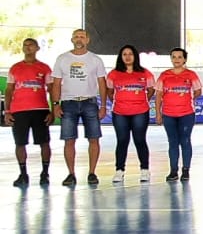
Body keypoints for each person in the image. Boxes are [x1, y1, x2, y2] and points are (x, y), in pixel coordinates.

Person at [49, 28, 108, 186]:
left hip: (89, 102)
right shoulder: (62, 59)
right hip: (68, 103)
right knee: (69, 140)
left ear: (87, 40)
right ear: (72, 40)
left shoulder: (95, 60)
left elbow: (102, 83)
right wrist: (55, 104)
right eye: (76, 37)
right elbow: (56, 84)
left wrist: (103, 106)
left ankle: (92, 173)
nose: (79, 39)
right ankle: (71, 174)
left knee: (94, 138)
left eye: (82, 36)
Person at [6, 38, 53, 187]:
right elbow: (9, 90)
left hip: (40, 110)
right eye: (25, 45)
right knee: (20, 143)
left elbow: (51, 89)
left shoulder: (45, 68)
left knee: (44, 142)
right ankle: (23, 174)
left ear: (37, 48)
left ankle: (45, 173)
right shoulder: (15, 68)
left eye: (31, 45)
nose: (28, 48)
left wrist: (52, 110)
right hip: (19, 111)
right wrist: (7, 111)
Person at [106, 44, 155, 184]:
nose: (127, 57)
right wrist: (120, 101)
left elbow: (151, 89)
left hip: (140, 112)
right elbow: (109, 91)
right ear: (120, 57)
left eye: (130, 54)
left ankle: (145, 169)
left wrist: (142, 100)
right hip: (120, 113)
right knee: (122, 141)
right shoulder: (113, 74)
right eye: (124, 54)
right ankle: (119, 170)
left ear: (135, 56)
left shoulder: (145, 73)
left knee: (140, 140)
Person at [157, 47, 201, 181]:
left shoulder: (191, 75)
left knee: (185, 140)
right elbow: (159, 95)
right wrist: (158, 114)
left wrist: (189, 98)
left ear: (185, 59)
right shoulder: (164, 75)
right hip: (168, 114)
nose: (176, 60)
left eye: (180, 57)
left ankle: (186, 170)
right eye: (174, 57)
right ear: (171, 59)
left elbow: (198, 90)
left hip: (187, 114)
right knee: (172, 142)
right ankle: (173, 170)